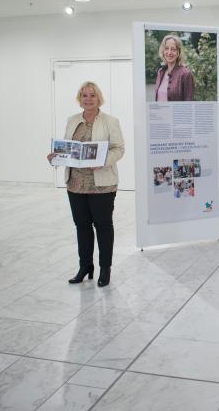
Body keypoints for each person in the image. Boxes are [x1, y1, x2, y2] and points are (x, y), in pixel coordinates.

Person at [47, 81, 124, 287]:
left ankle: (105, 269)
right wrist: (56, 157)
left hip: (102, 184)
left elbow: (119, 149)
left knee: (103, 226)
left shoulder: (110, 121)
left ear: (99, 98)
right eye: (84, 96)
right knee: (82, 226)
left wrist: (102, 161)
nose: (88, 99)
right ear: (79, 99)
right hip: (75, 183)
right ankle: (85, 266)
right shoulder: (72, 120)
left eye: (92, 95)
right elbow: (68, 149)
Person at [154, 35, 195, 101]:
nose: (169, 53)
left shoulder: (186, 74)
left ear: (178, 52)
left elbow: (188, 103)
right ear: (163, 50)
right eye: (166, 48)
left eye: (173, 49)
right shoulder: (160, 72)